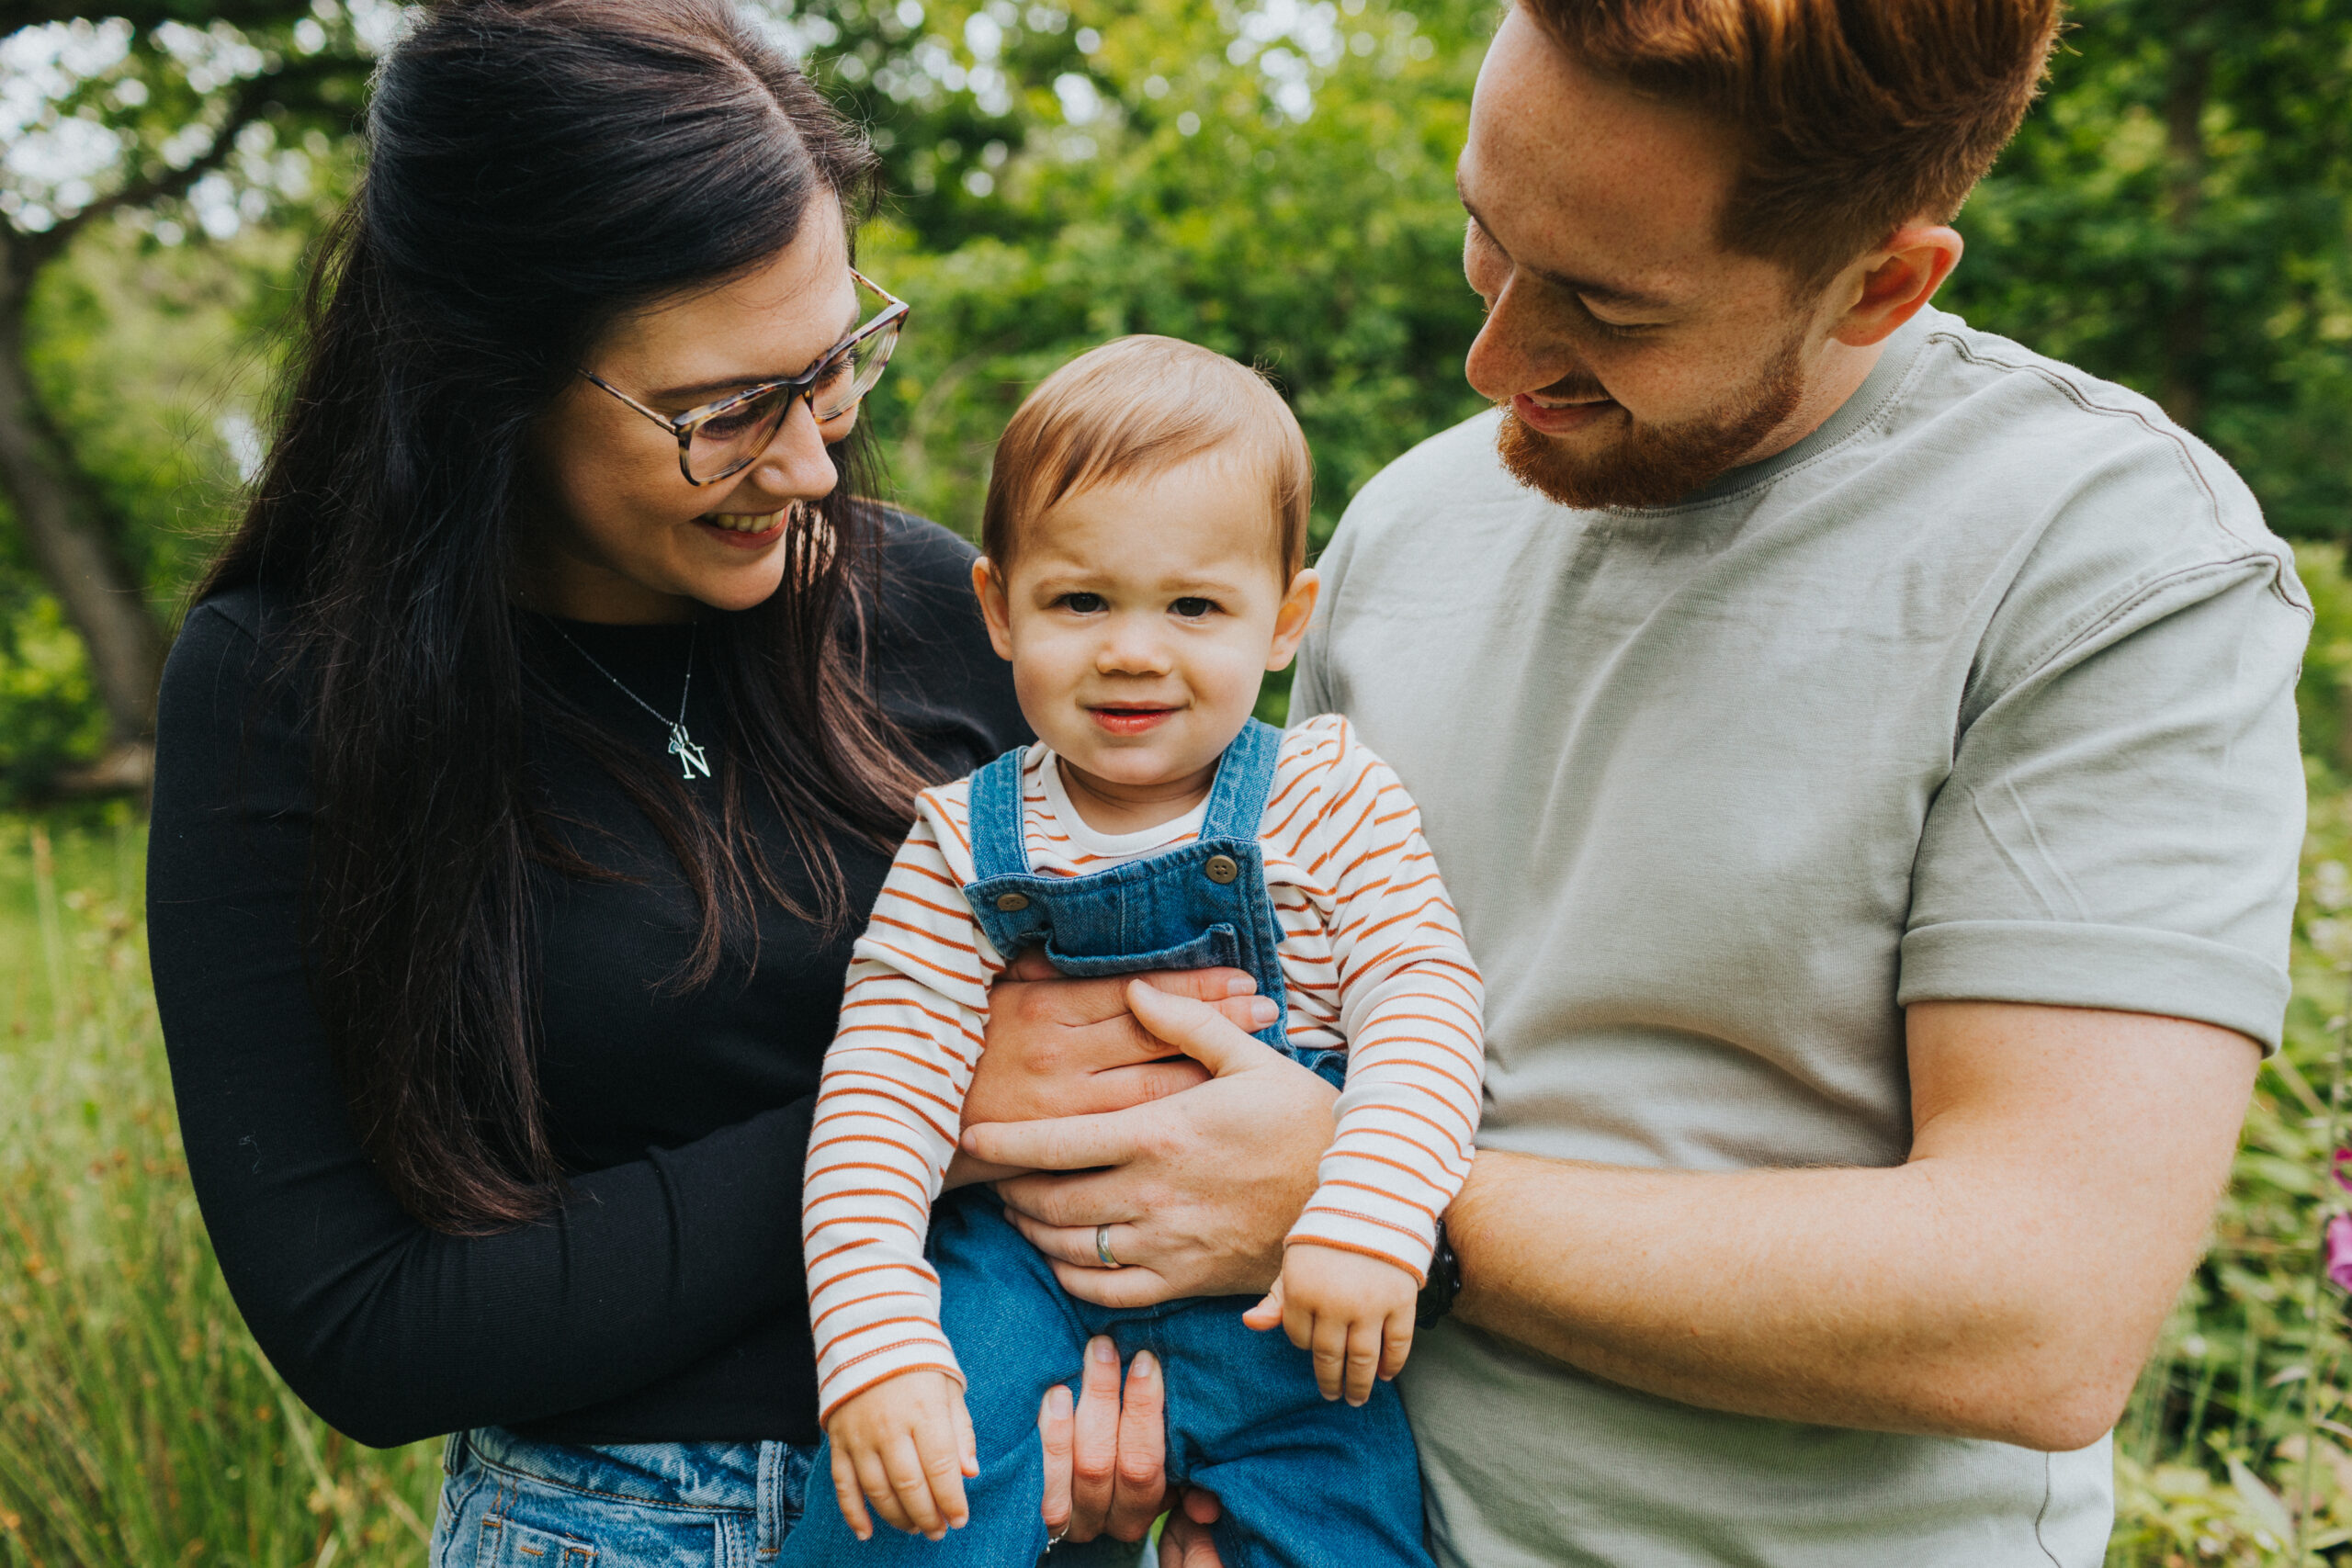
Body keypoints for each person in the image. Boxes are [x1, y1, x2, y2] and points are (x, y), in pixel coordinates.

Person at [958, 3, 2311, 1563]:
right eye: (1488, 234)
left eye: (1609, 303)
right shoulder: (1407, 527)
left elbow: (2040, 1307)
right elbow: (1249, 1057)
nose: (1497, 355)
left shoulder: (2106, 559)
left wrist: (1377, 1199)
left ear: (1883, 282)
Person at [144, 3, 1259, 1560]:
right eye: (726, 410)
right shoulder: (292, 690)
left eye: (835, 364)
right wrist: (930, 1107)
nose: (810, 462)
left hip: (1006, 1499)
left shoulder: (953, 612)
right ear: (488, 381)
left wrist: (1143, 1417)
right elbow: (368, 1329)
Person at [785, 336, 1483, 1565]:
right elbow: (880, 1095)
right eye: (1082, 601)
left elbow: (1424, 1008)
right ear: (1000, 607)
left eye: (1196, 606)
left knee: (1350, 1534)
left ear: (1286, 619)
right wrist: (877, 1339)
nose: (1133, 651)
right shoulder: (963, 839)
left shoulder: (1332, 799)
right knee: (906, 1506)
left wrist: (1372, 1215)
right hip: (1024, 1285)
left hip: (1289, 1298)